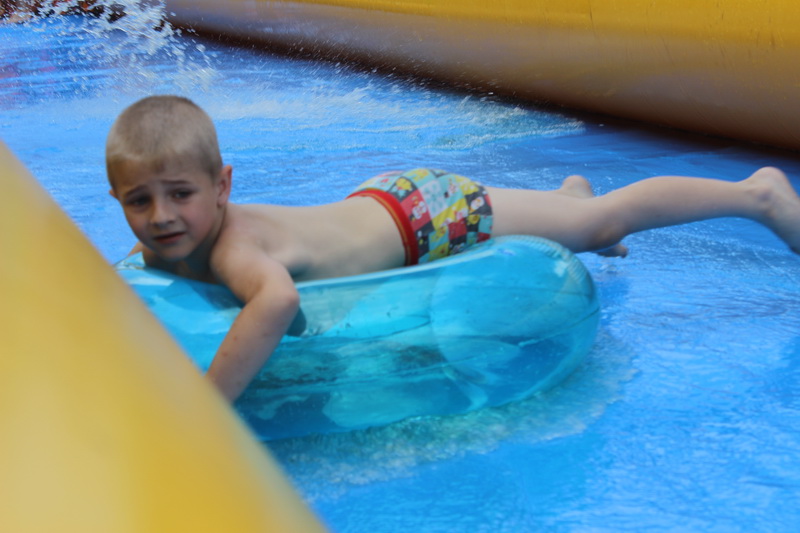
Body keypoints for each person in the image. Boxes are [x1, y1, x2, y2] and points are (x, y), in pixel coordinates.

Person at [106, 95, 800, 402]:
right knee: (575, 213)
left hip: (426, 218)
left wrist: (208, 406)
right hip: (379, 203)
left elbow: (278, 301)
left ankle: (757, 195)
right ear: (116, 199)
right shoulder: (168, 241)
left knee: (600, 225)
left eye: (180, 194)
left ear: (223, 186)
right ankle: (567, 196)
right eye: (139, 201)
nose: (161, 217)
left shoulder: (234, 247)